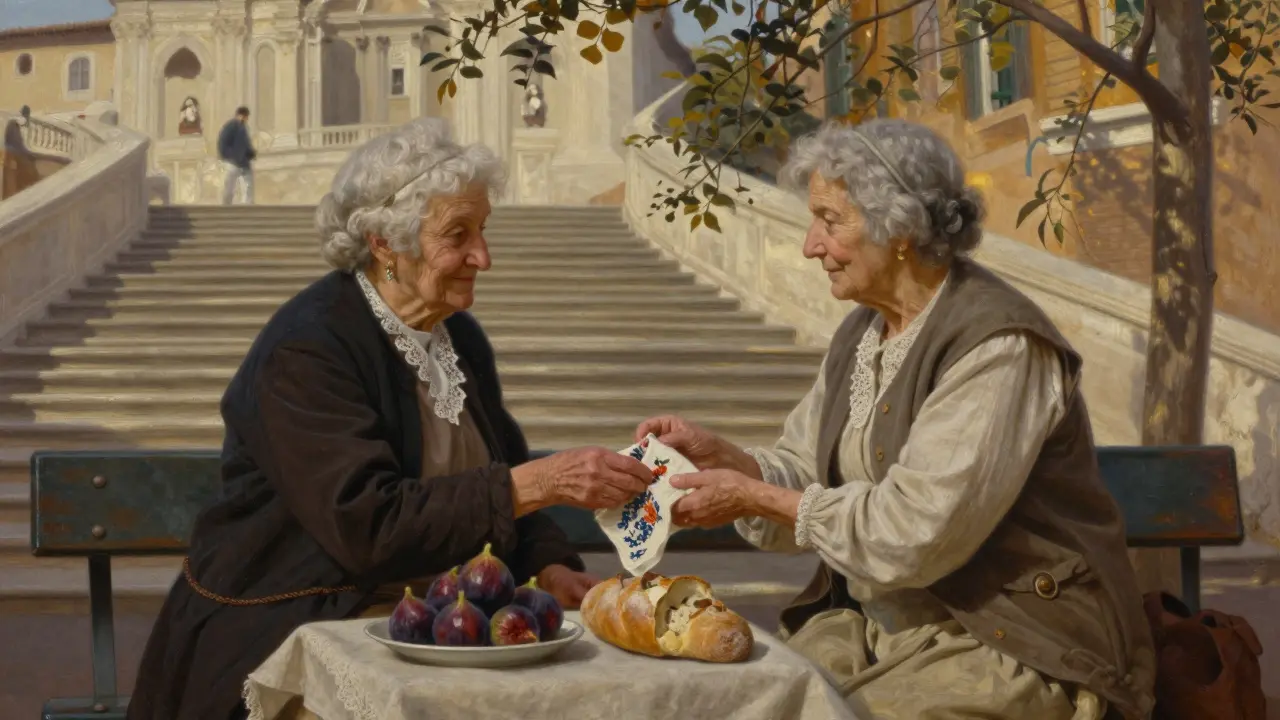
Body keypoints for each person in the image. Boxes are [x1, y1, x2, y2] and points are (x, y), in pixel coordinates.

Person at [127, 117, 653, 720]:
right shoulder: (308, 349)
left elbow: (502, 471)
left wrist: (550, 566)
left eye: (482, 230)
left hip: (442, 622)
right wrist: (540, 483)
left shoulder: (456, 336)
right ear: (385, 244)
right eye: (458, 235)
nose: (483, 256)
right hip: (304, 624)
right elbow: (367, 526)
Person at [636, 118, 1156, 720]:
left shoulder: (998, 344)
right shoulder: (864, 334)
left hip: (1013, 645)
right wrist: (731, 462)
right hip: (882, 633)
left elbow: (914, 536)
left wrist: (754, 497)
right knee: (732, 704)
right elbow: (806, 470)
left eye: (830, 221)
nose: (810, 245)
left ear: (900, 228)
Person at [217, 106, 255, 205]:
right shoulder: (231, 126)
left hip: (243, 162)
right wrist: (229, 156)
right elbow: (222, 143)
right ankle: (226, 205)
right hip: (232, 162)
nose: (246, 119)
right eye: (246, 117)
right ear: (241, 115)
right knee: (229, 186)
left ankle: (247, 205)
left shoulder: (243, 128)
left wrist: (250, 153)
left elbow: (245, 145)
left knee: (247, 185)